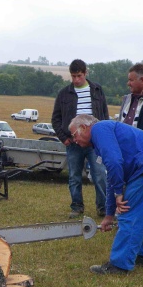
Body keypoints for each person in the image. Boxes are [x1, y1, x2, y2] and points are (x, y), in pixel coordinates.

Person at [69, 114, 143, 275]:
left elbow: (114, 162)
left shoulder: (99, 129)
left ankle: (119, 265)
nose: (74, 140)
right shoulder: (102, 137)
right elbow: (112, 176)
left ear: (84, 127)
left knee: (129, 214)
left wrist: (119, 193)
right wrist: (108, 215)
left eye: (74, 135)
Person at [52, 59, 109, 218]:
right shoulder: (64, 93)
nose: (76, 80)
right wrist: (64, 138)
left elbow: (104, 116)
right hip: (73, 143)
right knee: (74, 176)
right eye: (73, 76)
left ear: (85, 73)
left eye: (79, 76)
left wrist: (103, 138)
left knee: (100, 174)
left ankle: (103, 207)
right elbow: (55, 119)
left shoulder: (97, 90)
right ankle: (77, 206)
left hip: (95, 143)